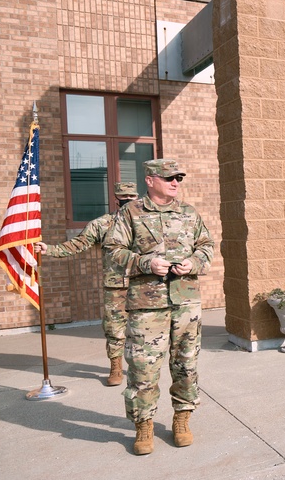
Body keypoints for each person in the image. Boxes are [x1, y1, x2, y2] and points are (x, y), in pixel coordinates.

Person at [105, 159, 214, 456]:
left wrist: (195, 262)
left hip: (185, 301)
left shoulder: (189, 213)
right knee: (142, 369)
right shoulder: (130, 212)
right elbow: (113, 250)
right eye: (169, 178)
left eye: (178, 177)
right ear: (150, 180)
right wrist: (145, 262)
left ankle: (182, 419)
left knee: (186, 364)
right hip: (147, 304)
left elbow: (207, 245)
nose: (176, 182)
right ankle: (144, 424)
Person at [34, 182, 139, 386]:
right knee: (114, 328)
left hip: (145, 285)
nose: (127, 202)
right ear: (116, 200)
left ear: (137, 199)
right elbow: (79, 243)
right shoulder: (103, 224)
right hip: (116, 285)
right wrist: (50, 249)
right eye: (123, 199)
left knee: (144, 328)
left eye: (131, 199)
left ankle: (141, 367)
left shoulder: (147, 223)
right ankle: (116, 367)